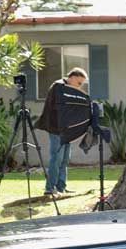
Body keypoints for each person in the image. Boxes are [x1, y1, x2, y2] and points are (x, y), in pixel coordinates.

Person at [35, 67, 89, 196]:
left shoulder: (68, 88)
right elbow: (60, 108)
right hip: (56, 129)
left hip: (66, 130)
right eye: (79, 83)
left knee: (64, 159)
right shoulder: (58, 86)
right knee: (57, 158)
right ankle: (50, 188)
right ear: (72, 77)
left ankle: (61, 187)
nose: (80, 86)